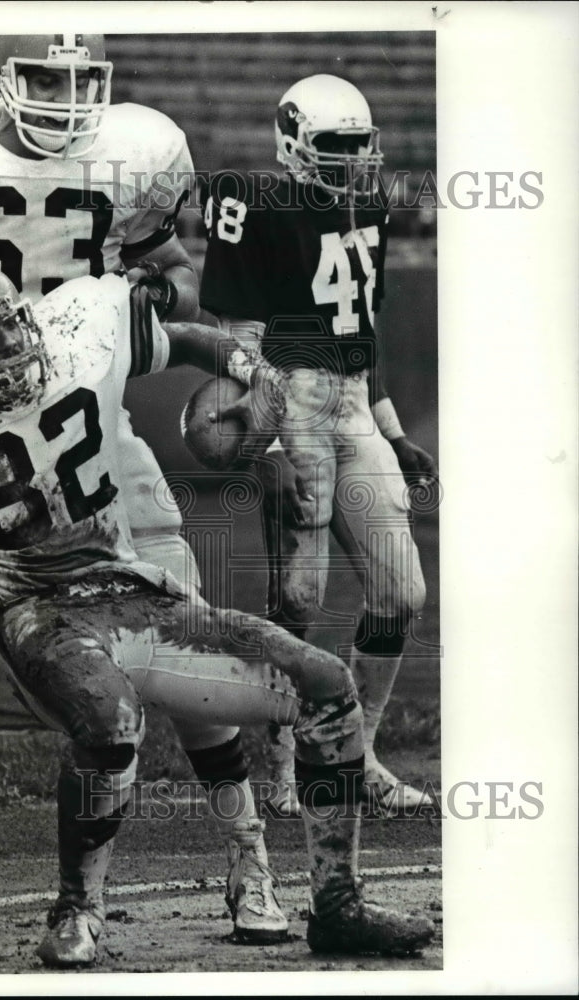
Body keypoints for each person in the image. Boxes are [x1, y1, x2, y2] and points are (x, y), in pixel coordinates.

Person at [0, 265, 435, 967]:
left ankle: (337, 905)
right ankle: (76, 907)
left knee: (326, 683)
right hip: (36, 607)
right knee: (108, 717)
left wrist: (251, 370)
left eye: (8, 326)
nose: (6, 347)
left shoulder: (76, 329)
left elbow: (177, 336)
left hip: (130, 588)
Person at [0, 34, 287, 944]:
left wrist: (159, 304)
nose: (63, 98)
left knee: (185, 669)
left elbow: (177, 281)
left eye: (78, 79)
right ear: (4, 81)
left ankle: (248, 862)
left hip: (85, 414)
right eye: (43, 77)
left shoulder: (128, 174)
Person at [199, 75, 438, 816]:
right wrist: (264, 433)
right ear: (295, 142)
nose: (355, 161)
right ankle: (279, 765)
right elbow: (237, 332)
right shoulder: (255, 200)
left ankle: (354, 755)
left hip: (353, 405)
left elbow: (362, 333)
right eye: (338, 147)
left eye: (363, 147)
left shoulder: (369, 203)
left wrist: (393, 432)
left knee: (402, 593)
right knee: (297, 600)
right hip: (291, 400)